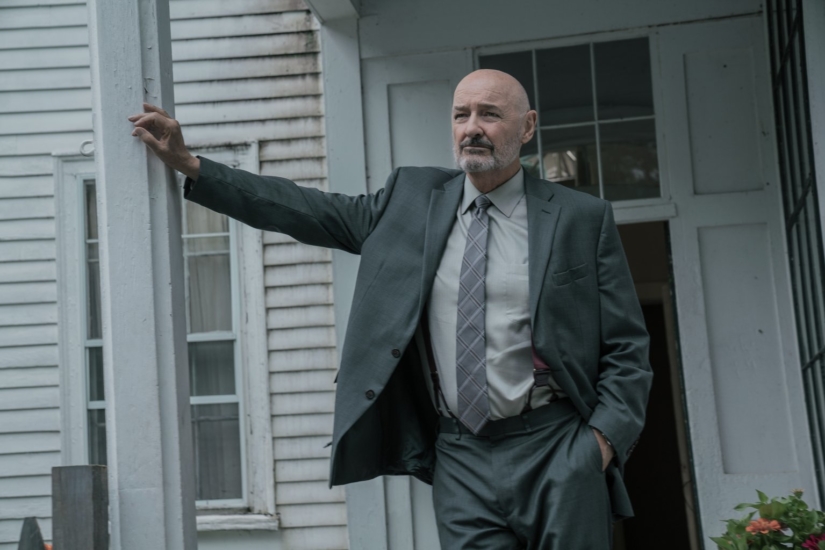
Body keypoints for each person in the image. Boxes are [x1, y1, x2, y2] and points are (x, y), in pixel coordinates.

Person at [129, 69, 652, 549]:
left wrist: (599, 444)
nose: (472, 128)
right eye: (461, 114)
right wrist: (193, 165)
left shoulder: (580, 218)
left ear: (528, 125)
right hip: (461, 456)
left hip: (555, 444)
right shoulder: (411, 200)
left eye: (489, 114)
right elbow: (307, 210)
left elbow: (627, 348)